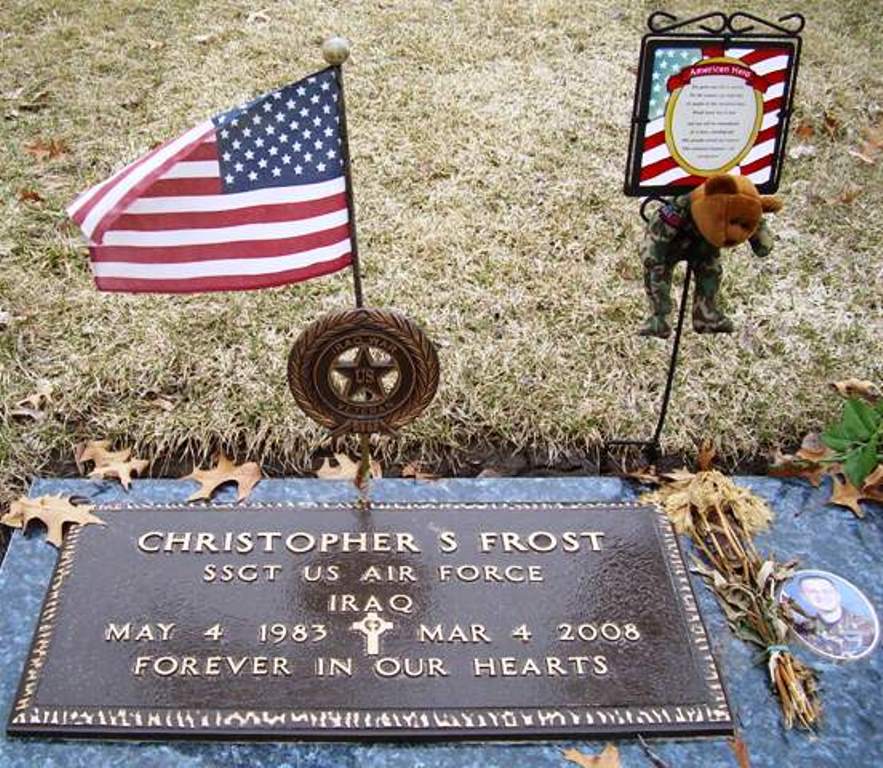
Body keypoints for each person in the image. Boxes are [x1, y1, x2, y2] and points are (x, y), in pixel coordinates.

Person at [792, 574, 876, 659]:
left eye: (826, 591)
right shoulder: (803, 630)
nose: (821, 596)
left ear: (837, 594)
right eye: (812, 592)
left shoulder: (868, 628)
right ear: (805, 598)